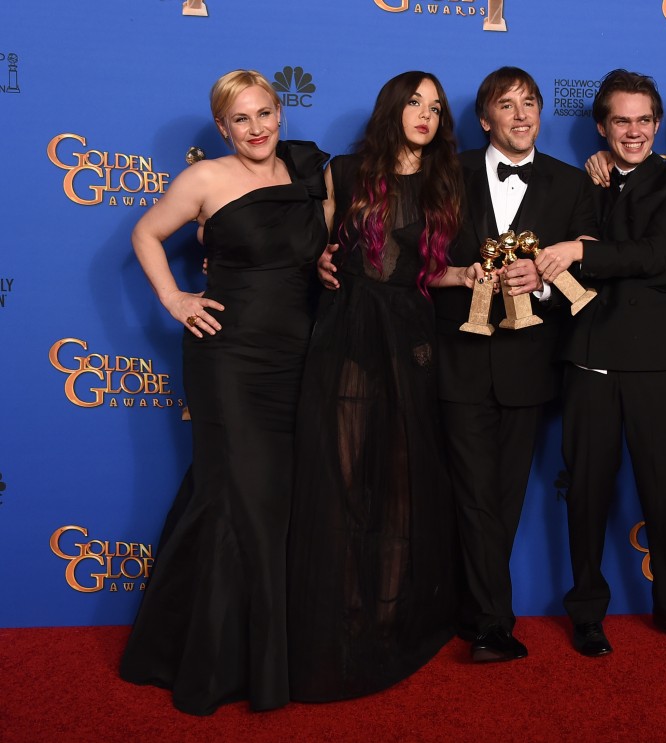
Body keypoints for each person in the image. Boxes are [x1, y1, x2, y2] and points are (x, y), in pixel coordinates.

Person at [120, 70, 329, 715]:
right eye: (242, 120)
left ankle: (253, 652)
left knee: (271, 502)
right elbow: (145, 235)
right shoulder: (205, 179)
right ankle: (219, 666)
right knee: (239, 498)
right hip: (230, 360)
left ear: (280, 114)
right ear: (223, 128)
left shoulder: (305, 174)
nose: (258, 127)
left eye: (266, 113)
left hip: (297, 354)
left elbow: (317, 250)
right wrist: (176, 299)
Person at [289, 71, 475, 700]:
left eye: (437, 107)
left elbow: (430, 272)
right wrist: (316, 258)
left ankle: (390, 618)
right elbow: (312, 246)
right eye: (415, 103)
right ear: (392, 108)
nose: (426, 114)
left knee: (400, 483)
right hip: (346, 335)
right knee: (343, 482)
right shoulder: (342, 170)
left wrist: (471, 274)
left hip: (411, 337)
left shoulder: (448, 178)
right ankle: (344, 619)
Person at [536, 70, 666, 659]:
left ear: (658, 123)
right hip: (590, 349)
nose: (634, 131)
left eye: (644, 119)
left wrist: (581, 249)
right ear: (602, 125)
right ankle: (587, 612)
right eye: (622, 120)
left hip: (660, 357)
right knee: (586, 490)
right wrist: (585, 228)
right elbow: (572, 250)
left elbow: (657, 253)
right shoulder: (581, 181)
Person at [431, 66, 597, 662]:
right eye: (507, 105)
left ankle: (472, 612)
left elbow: (588, 268)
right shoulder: (445, 174)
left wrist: (544, 284)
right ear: (485, 120)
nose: (523, 114)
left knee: (504, 497)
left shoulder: (572, 183)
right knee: (473, 493)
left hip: (530, 362)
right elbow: (414, 253)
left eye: (531, 103)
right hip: (460, 356)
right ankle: (494, 625)